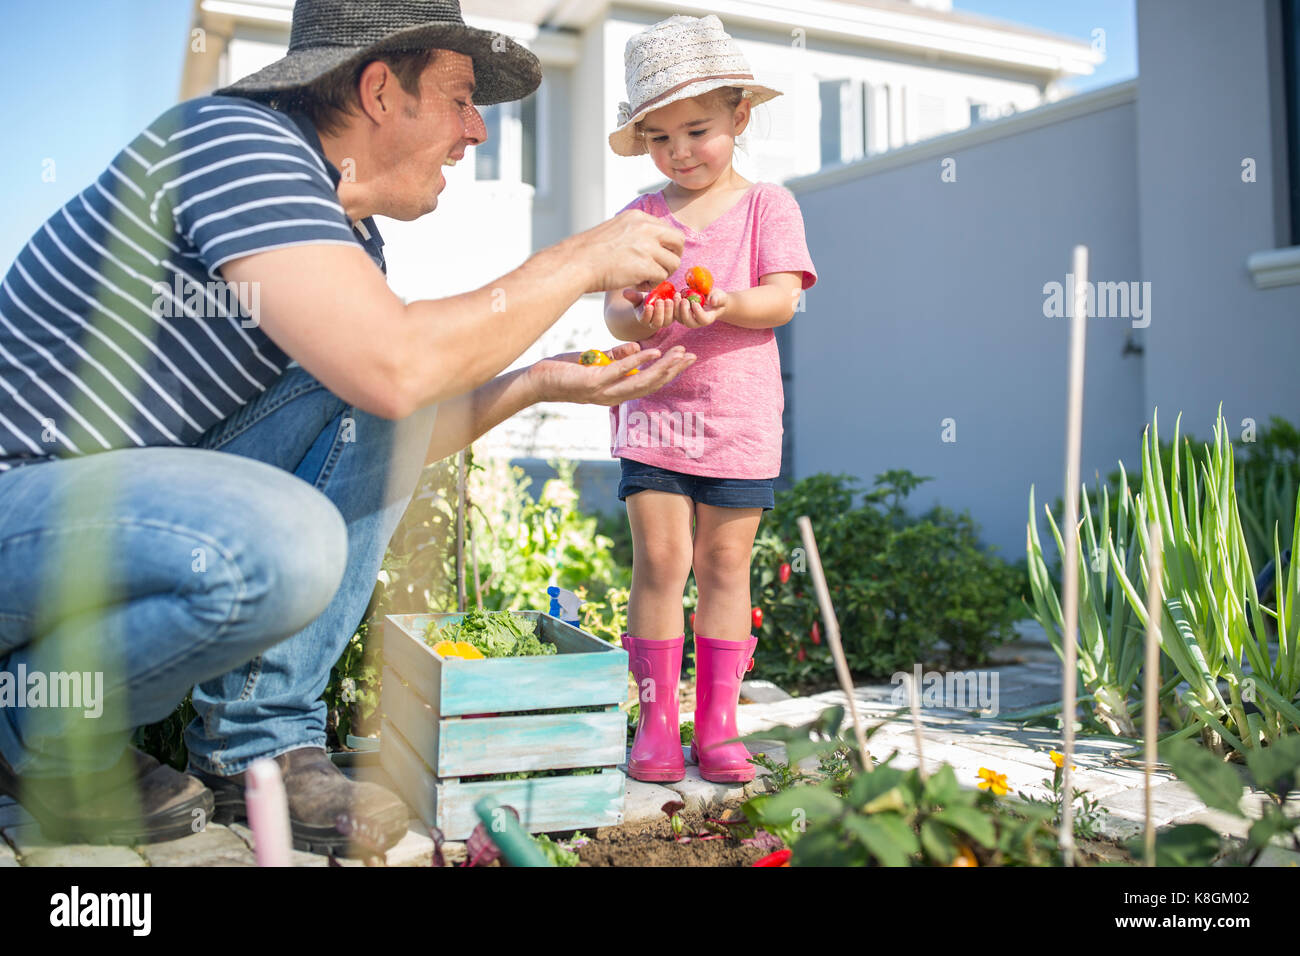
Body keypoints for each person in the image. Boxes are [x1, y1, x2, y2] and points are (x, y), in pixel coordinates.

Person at [0, 0, 693, 857]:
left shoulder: (345, 239)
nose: (476, 129)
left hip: (109, 518)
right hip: (20, 504)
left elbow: (384, 422)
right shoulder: (232, 143)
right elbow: (392, 363)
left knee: (365, 414)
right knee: (282, 541)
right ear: (377, 89)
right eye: (460, 97)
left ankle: (259, 747)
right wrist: (582, 258)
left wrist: (536, 384)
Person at [604, 15, 818, 785]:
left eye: (697, 130)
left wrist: (721, 301)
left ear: (739, 117)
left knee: (725, 564)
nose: (680, 152)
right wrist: (647, 314)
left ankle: (720, 727)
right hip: (653, 412)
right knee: (660, 559)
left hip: (738, 420)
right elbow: (617, 311)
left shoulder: (769, 206)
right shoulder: (642, 214)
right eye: (660, 138)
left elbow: (780, 301)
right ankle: (657, 723)